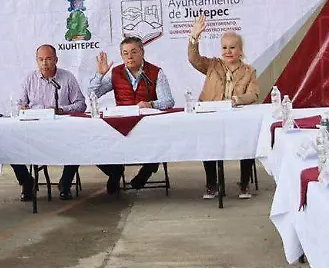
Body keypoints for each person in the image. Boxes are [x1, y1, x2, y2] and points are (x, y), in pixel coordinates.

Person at [186, 15, 261, 200]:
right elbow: (194, 59)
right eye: (224, 47)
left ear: (240, 51)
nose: (228, 51)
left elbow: (253, 94)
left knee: (247, 141)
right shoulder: (212, 65)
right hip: (211, 115)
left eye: (232, 47)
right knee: (208, 144)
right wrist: (194, 38)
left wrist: (237, 100)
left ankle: (244, 183)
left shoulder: (249, 71)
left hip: (236, 115)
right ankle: (212, 184)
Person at [88, 36, 175, 194]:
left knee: (161, 140)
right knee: (93, 143)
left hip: (147, 125)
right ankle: (115, 172)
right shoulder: (116, 73)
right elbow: (93, 94)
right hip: (122, 125)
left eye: (134, 52)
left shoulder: (156, 72)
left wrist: (151, 104)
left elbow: (168, 101)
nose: (129, 56)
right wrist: (100, 74)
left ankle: (146, 172)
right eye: (125, 53)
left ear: (142, 52)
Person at [12, 44, 87, 201]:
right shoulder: (29, 79)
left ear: (56, 60)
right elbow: (19, 104)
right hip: (34, 130)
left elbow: (81, 104)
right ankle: (27, 182)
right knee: (9, 147)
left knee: (79, 143)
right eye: (40, 59)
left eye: (48, 59)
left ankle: (65, 183)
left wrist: (62, 110)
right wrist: (22, 108)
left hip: (62, 131)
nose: (44, 63)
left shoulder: (67, 78)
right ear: (36, 61)